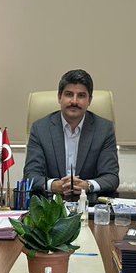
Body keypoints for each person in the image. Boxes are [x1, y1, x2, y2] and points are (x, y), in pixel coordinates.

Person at [23, 69, 119, 197]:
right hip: (51, 204)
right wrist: (54, 185)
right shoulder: (40, 129)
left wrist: (88, 186)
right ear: (59, 97)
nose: (74, 101)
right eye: (69, 94)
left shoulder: (104, 129)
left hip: (88, 203)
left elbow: (111, 177)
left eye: (81, 95)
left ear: (89, 100)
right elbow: (30, 175)